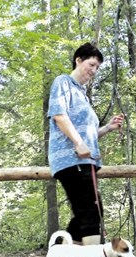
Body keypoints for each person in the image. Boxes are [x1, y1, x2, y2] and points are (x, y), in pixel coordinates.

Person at [48, 42, 124, 246]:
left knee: (85, 213)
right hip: (70, 159)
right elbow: (59, 116)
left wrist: (107, 128)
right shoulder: (63, 82)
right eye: (91, 64)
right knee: (90, 211)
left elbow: (88, 135)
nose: (94, 70)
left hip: (84, 159)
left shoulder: (82, 93)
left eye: (97, 67)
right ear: (78, 60)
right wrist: (79, 143)